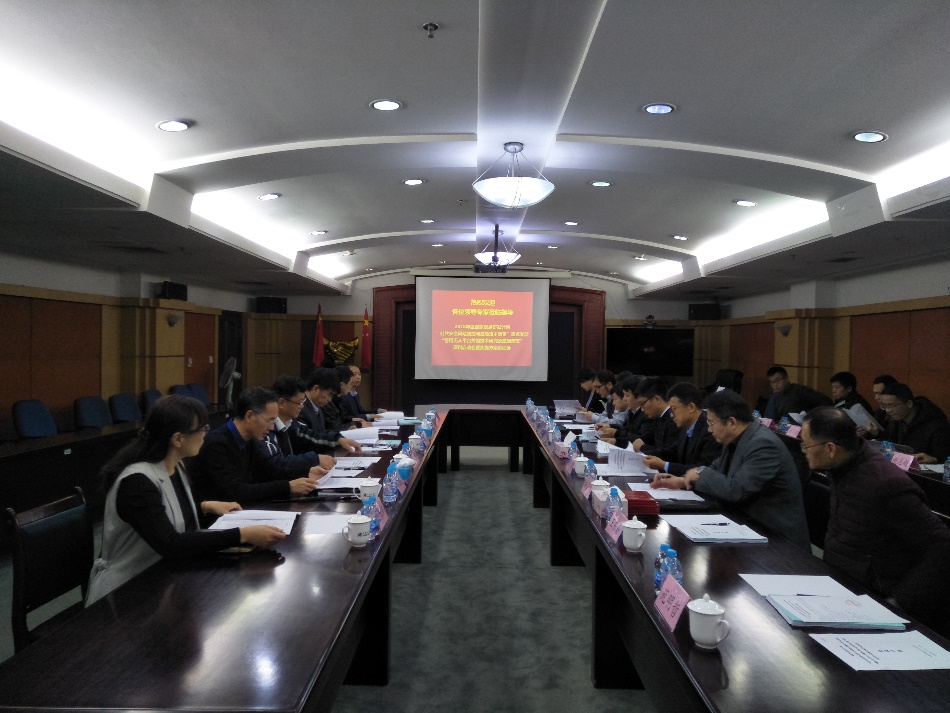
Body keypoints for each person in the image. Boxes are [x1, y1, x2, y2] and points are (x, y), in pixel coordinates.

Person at [86, 395, 286, 605]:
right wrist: (242, 535)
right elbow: (171, 543)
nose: (205, 434)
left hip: (163, 578)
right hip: (125, 591)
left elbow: (165, 514)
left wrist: (205, 506)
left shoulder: (175, 466)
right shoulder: (137, 482)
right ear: (178, 439)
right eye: (202, 429)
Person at [800, 407, 950, 600]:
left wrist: (900, 601)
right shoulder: (841, 467)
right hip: (840, 580)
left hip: (871, 593)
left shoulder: (885, 485)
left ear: (830, 449)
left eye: (806, 445)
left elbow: (941, 545)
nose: (803, 451)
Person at [651, 389, 810, 551]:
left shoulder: (763, 444)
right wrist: (681, 481)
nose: (709, 429)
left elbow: (736, 490)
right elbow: (714, 468)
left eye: (711, 423)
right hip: (748, 528)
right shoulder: (736, 439)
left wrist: (699, 474)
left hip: (779, 541)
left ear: (732, 422)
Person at [189, 387, 325, 504]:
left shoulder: (250, 439)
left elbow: (267, 470)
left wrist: (306, 472)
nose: (272, 427)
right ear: (250, 416)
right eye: (270, 420)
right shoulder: (216, 444)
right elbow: (234, 491)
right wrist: (287, 487)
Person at [263, 375, 344, 466]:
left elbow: (313, 436)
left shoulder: (292, 423)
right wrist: (314, 460)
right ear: (282, 403)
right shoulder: (266, 429)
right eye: (300, 402)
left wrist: (338, 440)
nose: (302, 406)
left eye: (303, 401)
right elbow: (276, 463)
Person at [641, 382, 721, 475]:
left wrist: (664, 465)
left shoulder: (710, 430)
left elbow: (702, 469)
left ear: (691, 407)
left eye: (674, 409)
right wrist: (643, 455)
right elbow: (672, 452)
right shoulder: (685, 427)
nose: (671, 415)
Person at [878, 383, 950, 463]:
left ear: (909, 403)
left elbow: (944, 458)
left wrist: (933, 459)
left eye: (892, 405)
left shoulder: (936, 424)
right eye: (885, 406)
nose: (888, 410)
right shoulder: (895, 420)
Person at [631, 377, 680, 455]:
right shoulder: (657, 417)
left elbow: (670, 453)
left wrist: (642, 447)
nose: (642, 409)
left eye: (642, 404)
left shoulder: (675, 420)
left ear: (657, 399)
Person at [762, 365, 830, 420]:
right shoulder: (774, 397)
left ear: (787, 379)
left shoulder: (799, 390)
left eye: (778, 380)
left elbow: (825, 401)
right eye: (772, 382)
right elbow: (768, 419)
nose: (775, 384)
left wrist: (812, 417)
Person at [321, 365, 369, 432]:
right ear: (342, 385)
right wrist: (357, 424)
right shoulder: (327, 402)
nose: (351, 386)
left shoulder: (338, 399)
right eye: (351, 383)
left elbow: (342, 419)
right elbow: (335, 428)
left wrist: (352, 420)